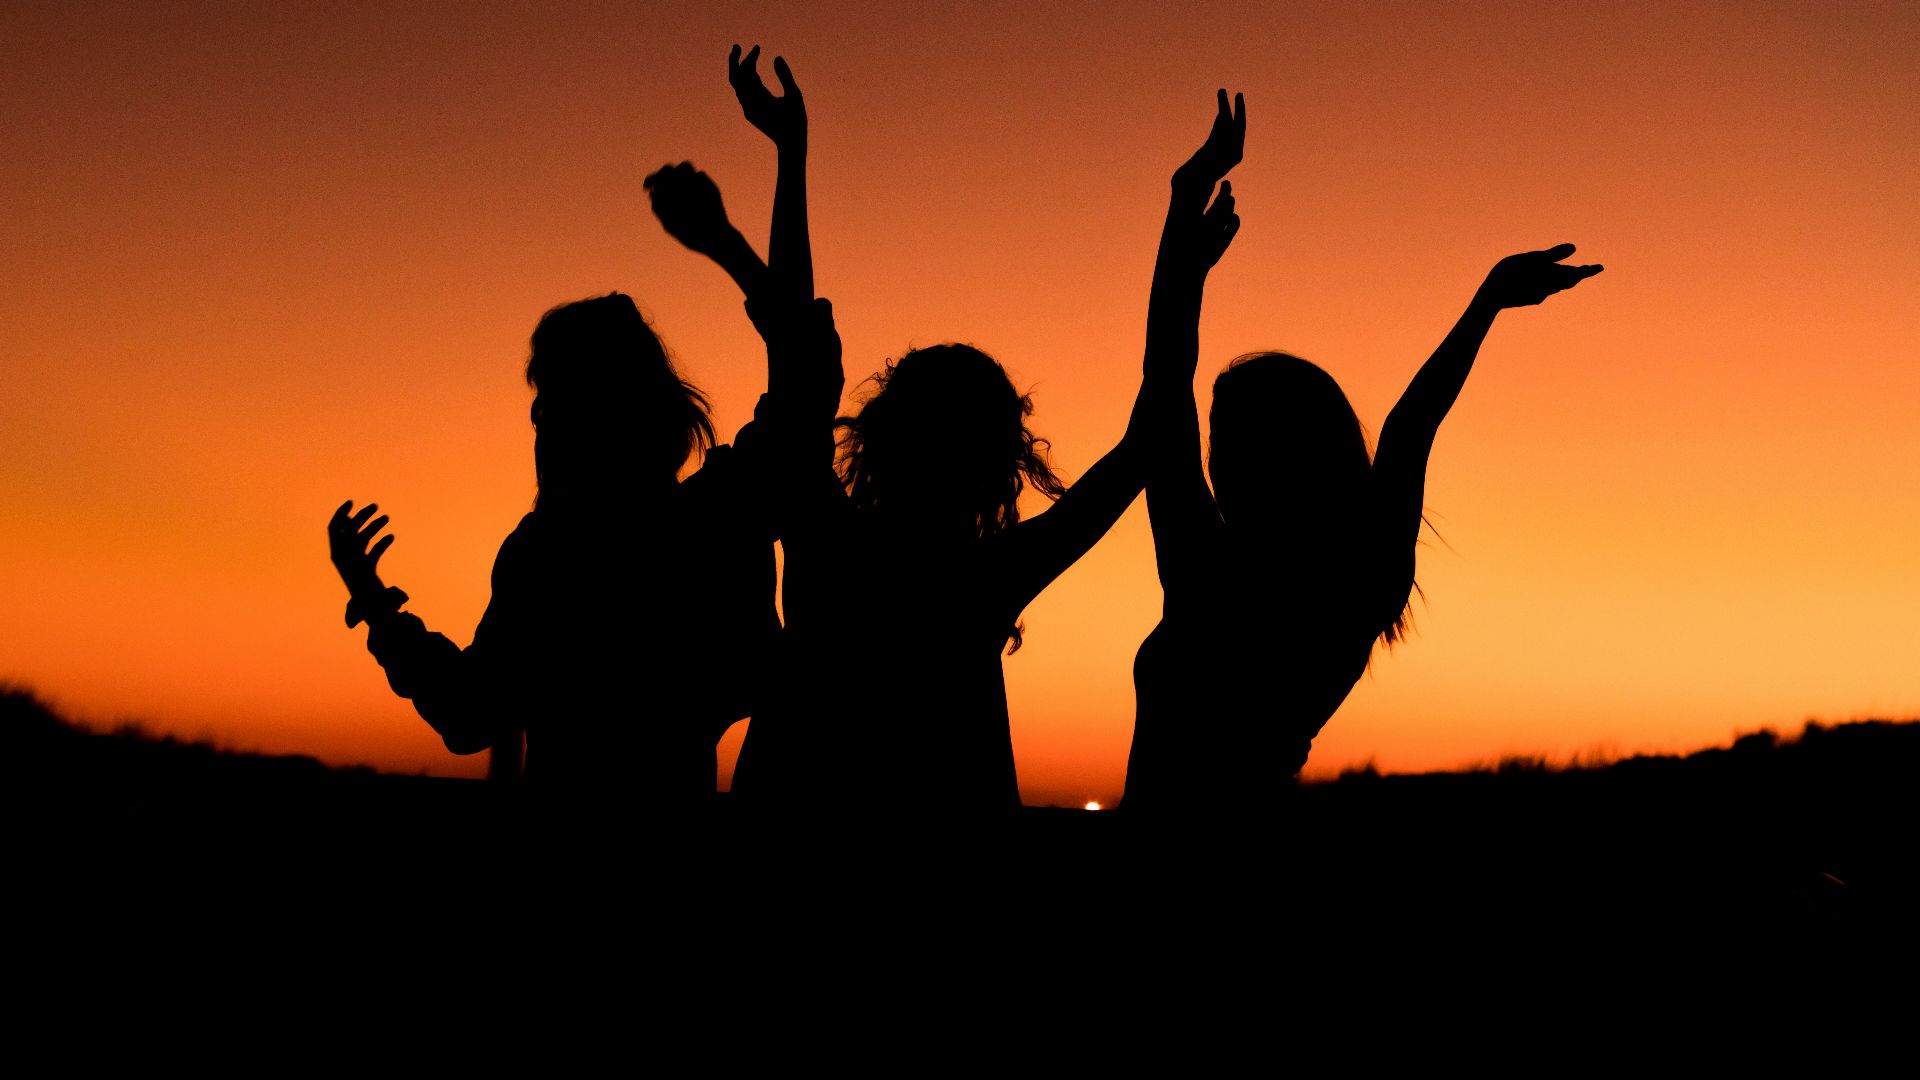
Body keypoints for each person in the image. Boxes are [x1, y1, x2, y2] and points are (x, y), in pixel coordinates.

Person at [708, 92, 1248, 814]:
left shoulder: (826, 539)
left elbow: (795, 351)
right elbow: (1155, 423)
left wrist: (791, 154)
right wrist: (1182, 244)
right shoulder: (987, 576)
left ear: (881, 436)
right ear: (1001, 459)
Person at [325, 45, 832, 813]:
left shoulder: (550, 557)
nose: (535, 417)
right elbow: (803, 375)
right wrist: (766, 185)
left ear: (575, 421)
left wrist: (377, 604)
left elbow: (468, 714)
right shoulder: (708, 524)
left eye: (549, 398)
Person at [1124, 194, 1603, 814]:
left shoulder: (1208, 571)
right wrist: (1486, 303)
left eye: (1227, 438)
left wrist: (1184, 259)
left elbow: (1166, 382)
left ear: (1278, 454)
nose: (1212, 458)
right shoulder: (1359, 580)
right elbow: (1410, 426)